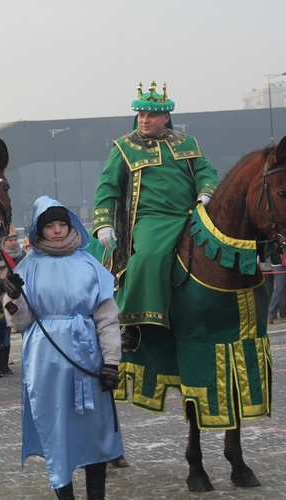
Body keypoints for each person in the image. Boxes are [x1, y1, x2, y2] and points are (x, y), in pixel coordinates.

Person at [3, 196, 124, 499]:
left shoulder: (88, 263)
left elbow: (107, 319)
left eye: (62, 224)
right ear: (39, 230)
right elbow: (21, 322)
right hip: (46, 364)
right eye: (50, 226)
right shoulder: (27, 267)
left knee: (94, 432)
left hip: (89, 360)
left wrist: (111, 362)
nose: (57, 230)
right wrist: (15, 298)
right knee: (56, 432)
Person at [93, 82, 219, 352]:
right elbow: (106, 186)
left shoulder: (187, 143)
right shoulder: (124, 147)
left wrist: (206, 192)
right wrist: (103, 222)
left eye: (151, 115)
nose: (145, 120)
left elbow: (207, 171)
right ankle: (132, 323)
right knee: (148, 256)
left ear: (166, 118)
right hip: (151, 220)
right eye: (141, 115)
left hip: (191, 215)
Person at [0, 225, 26, 378]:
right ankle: (1, 365)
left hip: (19, 298)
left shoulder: (23, 255)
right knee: (3, 332)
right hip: (1, 299)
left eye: (14, 239)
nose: (13, 243)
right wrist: (2, 285)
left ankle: (7, 365)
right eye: (10, 240)